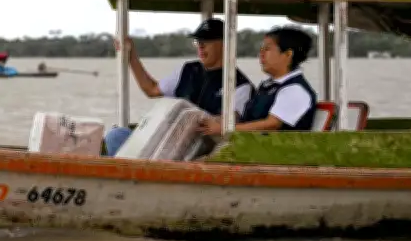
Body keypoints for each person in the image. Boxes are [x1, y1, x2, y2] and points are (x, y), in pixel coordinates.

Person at [104, 18, 253, 156]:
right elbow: (151, 89)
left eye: (207, 40)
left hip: (198, 153)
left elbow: (232, 124)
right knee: (116, 135)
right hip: (166, 141)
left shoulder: (240, 85)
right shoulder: (187, 70)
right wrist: (131, 56)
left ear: (225, 44)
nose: (200, 46)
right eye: (198, 41)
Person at [199, 26, 317, 135]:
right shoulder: (268, 86)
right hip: (246, 146)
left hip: (268, 154)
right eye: (261, 49)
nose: (261, 54)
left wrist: (225, 129)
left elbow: (271, 125)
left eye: (267, 49)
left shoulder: (295, 90)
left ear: (288, 54)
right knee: (191, 115)